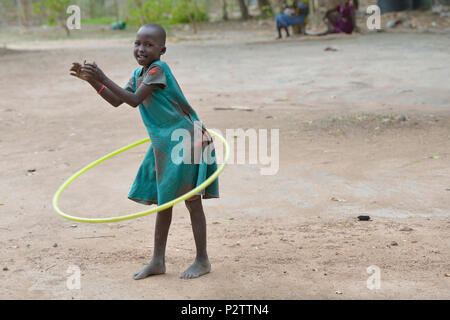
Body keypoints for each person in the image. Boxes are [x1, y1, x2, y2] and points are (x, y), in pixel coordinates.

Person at [69, 23, 219, 280]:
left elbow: (135, 100)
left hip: (186, 139)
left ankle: (202, 260)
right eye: (138, 43)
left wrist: (102, 76)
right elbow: (118, 100)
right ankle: (158, 261)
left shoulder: (159, 69)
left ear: (162, 49)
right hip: (165, 143)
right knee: (164, 201)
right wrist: (92, 81)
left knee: (191, 201)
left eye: (149, 45)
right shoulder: (139, 73)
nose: (141, 49)